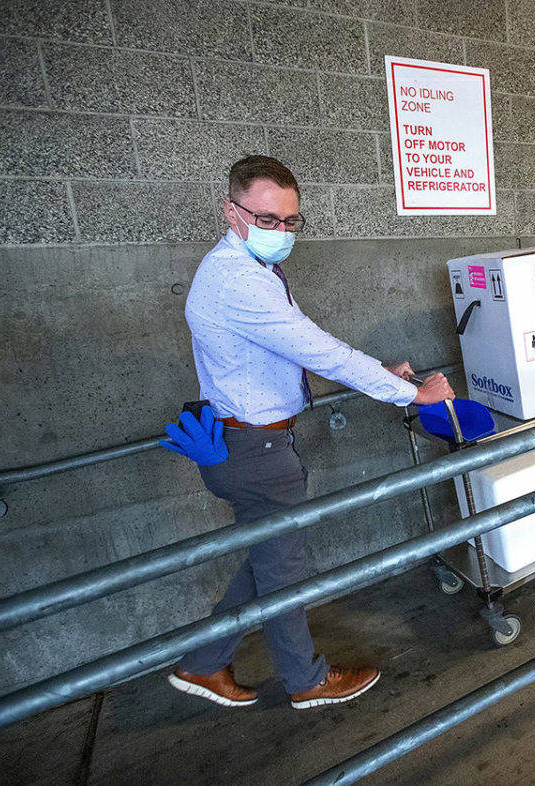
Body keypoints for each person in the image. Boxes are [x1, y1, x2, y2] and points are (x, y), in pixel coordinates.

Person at [166, 156, 454, 710]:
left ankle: (202, 664)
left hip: (249, 440)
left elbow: (304, 343)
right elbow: (315, 349)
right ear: (232, 212)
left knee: (269, 559)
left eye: (291, 221)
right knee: (284, 572)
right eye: (267, 219)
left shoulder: (253, 269)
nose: (281, 232)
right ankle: (306, 680)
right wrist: (410, 393)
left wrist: (379, 374)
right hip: (256, 447)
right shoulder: (236, 281)